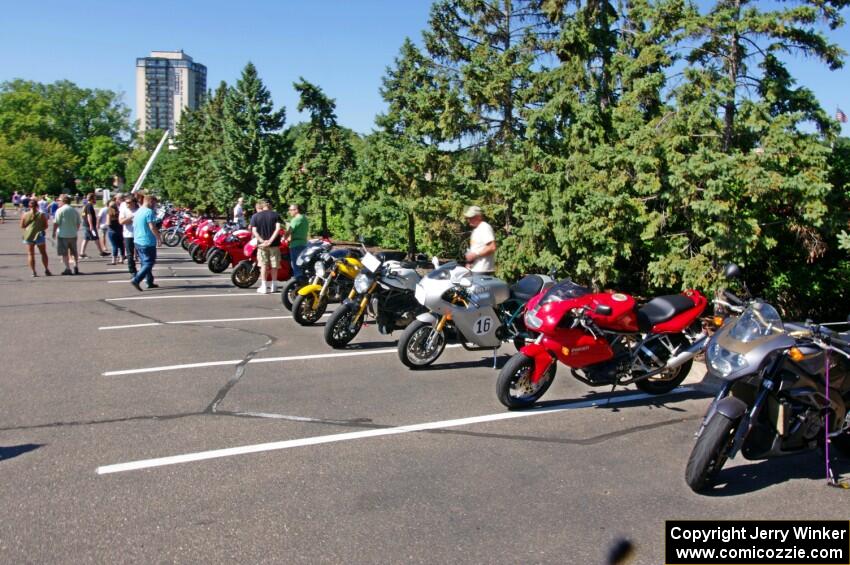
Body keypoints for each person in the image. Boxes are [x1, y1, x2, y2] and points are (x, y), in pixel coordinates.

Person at [249, 199, 282, 294]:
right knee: (274, 265)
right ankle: (274, 286)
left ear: (262, 206)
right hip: (274, 244)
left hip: (262, 245)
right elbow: (278, 229)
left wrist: (262, 241)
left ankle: (264, 286)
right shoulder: (276, 215)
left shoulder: (255, 216)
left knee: (263, 265)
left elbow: (254, 231)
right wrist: (270, 240)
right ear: (270, 206)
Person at [129, 194, 161, 291]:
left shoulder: (138, 211)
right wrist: (159, 237)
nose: (155, 205)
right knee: (149, 262)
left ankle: (149, 281)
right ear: (150, 201)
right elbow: (152, 226)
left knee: (144, 262)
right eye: (154, 203)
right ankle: (136, 279)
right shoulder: (149, 212)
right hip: (147, 241)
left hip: (138, 240)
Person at [20, 199, 51, 277]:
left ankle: (33, 272)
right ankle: (46, 269)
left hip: (29, 235)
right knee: (43, 253)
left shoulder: (24, 215)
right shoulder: (41, 215)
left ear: (29, 206)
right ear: (37, 206)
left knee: (31, 254)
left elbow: (22, 226)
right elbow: (46, 226)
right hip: (39, 234)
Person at [52, 194, 82, 275]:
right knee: (74, 251)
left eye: (59, 200)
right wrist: (75, 230)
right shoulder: (74, 210)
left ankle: (68, 268)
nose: (58, 202)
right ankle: (75, 265)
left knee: (64, 252)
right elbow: (78, 223)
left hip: (63, 234)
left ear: (63, 201)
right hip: (73, 234)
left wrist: (54, 232)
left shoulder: (60, 210)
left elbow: (56, 223)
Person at [463, 205, 497, 275]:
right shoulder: (476, 229)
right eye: (468, 218)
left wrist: (475, 255)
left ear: (479, 217)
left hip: (482, 270)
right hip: (474, 269)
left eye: (471, 217)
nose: (469, 220)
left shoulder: (485, 227)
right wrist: (469, 263)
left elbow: (492, 247)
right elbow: (476, 249)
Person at [79, 193, 108, 258]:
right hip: (89, 225)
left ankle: (82, 253)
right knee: (95, 238)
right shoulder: (89, 206)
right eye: (95, 198)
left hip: (87, 225)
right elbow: (89, 216)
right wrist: (91, 225)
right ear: (92, 199)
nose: (96, 199)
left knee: (87, 239)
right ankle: (101, 252)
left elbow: (83, 215)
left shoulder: (86, 205)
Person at [286, 203, 309, 278]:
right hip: (303, 244)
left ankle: (298, 283)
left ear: (296, 210)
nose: (289, 212)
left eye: (291, 210)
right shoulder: (304, 218)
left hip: (295, 245)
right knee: (302, 265)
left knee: (296, 266)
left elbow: (289, 231)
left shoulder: (295, 220)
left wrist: (284, 237)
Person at [119, 194, 139, 276]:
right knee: (130, 254)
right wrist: (131, 218)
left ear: (134, 202)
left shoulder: (139, 210)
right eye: (126, 202)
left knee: (141, 253)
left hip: (139, 234)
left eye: (129, 202)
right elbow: (121, 222)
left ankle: (144, 271)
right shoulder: (124, 210)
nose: (127, 204)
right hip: (128, 235)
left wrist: (128, 220)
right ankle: (132, 271)